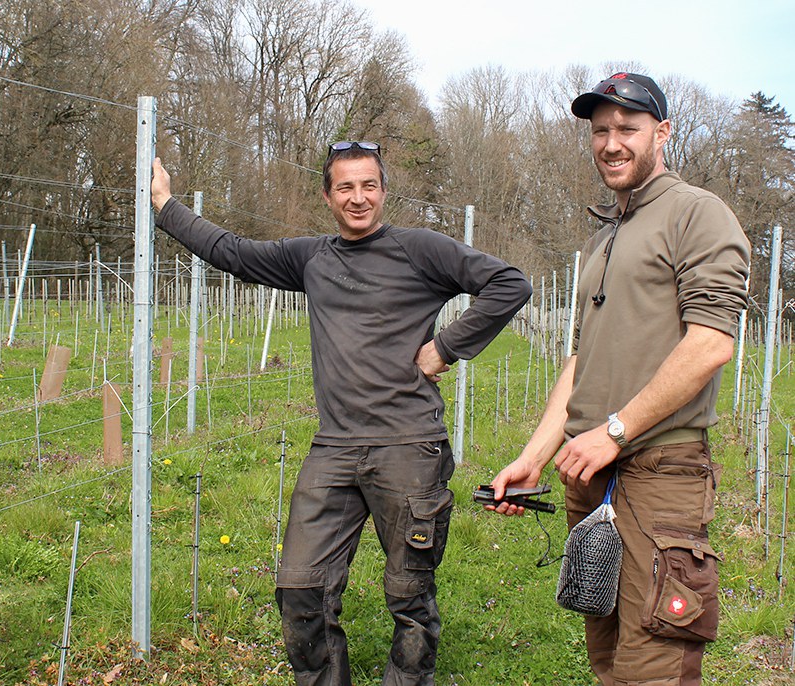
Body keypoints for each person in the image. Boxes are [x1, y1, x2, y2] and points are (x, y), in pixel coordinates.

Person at [152, 143, 531, 685]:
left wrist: (445, 346)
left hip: (408, 445)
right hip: (335, 448)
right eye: (346, 188)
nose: (359, 198)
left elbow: (509, 283)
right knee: (300, 589)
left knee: (410, 596)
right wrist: (167, 207)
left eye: (369, 185)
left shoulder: (418, 249)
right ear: (328, 196)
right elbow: (232, 251)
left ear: (383, 190)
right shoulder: (313, 258)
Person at [488, 73, 750, 685]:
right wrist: (534, 456)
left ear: (662, 133)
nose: (611, 142)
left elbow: (710, 343)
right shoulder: (605, 237)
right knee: (608, 658)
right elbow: (581, 362)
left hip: (658, 475)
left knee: (653, 664)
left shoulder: (698, 214)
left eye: (627, 128)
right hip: (590, 474)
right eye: (600, 130)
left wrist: (616, 429)